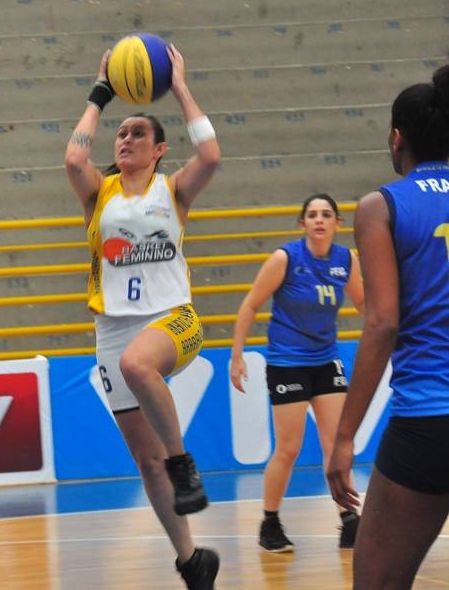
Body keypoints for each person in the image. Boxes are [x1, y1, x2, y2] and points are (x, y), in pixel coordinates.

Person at [64, 45, 221, 590]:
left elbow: (211, 156)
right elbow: (74, 159)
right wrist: (100, 91)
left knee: (139, 366)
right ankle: (191, 560)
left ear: (159, 149)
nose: (125, 139)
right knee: (145, 461)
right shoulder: (99, 193)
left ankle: (184, 463)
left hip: (172, 318)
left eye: (138, 133)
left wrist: (179, 86)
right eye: (121, 133)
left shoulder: (172, 190)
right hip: (112, 329)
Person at [327, 65, 449, 589]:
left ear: (397, 138)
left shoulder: (382, 206)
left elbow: (382, 323)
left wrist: (344, 436)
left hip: (429, 419)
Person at [229, 194, 364, 553]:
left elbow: (365, 303)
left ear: (338, 223)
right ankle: (270, 522)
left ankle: (349, 519)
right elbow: (250, 304)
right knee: (289, 448)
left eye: (326, 214)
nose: (319, 219)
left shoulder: (346, 260)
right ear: (302, 223)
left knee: (336, 444)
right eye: (312, 214)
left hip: (326, 359)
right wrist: (237, 355)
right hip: (287, 361)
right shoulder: (285, 258)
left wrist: (393, 331)